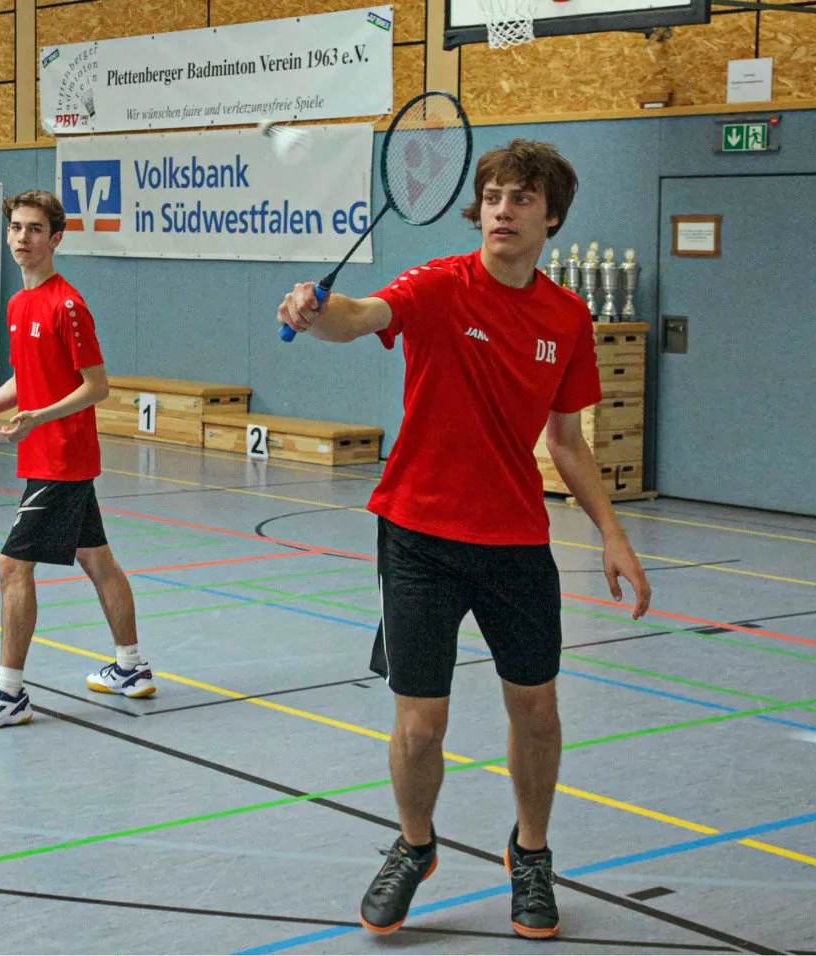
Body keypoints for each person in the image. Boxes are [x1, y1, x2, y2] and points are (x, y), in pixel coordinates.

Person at [277, 139, 651, 939]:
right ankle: (415, 846)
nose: (503, 210)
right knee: (420, 724)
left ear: (551, 218)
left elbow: (567, 441)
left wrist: (612, 533)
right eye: (493, 197)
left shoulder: (567, 318)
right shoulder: (439, 285)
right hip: (417, 536)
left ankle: (531, 854)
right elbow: (362, 315)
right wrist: (314, 310)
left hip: (515, 541)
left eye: (522, 198)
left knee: (537, 709)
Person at [0, 189, 155, 731]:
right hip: (43, 453)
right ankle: (131, 667)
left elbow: (96, 387)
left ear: (55, 239)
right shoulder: (18, 304)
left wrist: (40, 417)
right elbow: (25, 380)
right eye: (15, 228)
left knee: (12, 566)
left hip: (63, 457)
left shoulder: (67, 306)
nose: (22, 238)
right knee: (97, 560)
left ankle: (8, 693)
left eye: (34, 229)